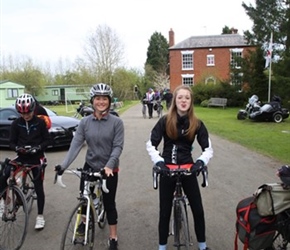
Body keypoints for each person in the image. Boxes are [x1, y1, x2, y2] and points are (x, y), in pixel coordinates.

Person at [55, 83, 124, 250]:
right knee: (84, 198)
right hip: (90, 165)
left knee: (109, 204)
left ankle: (113, 237)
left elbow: (117, 147)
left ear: (109, 101)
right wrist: (63, 166)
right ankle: (84, 223)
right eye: (98, 99)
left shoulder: (116, 122)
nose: (101, 102)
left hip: (109, 168)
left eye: (104, 99)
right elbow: (76, 144)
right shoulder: (85, 122)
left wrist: (109, 166)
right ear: (92, 101)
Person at [146, 85, 214, 250]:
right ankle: (162, 247)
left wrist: (200, 162)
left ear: (191, 102)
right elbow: (150, 144)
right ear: (174, 100)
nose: (183, 101)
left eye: (187, 98)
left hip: (188, 169)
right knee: (164, 212)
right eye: (180, 97)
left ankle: (202, 246)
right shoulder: (164, 120)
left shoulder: (196, 123)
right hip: (167, 170)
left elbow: (208, 149)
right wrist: (159, 162)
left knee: (198, 210)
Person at [0, 93, 51, 230]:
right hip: (22, 156)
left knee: (38, 185)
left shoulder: (40, 123)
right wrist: (17, 148)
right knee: (4, 173)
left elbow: (47, 140)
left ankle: (40, 216)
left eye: (28, 112)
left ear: (33, 109)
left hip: (36, 157)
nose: (25, 115)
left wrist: (38, 147)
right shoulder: (16, 124)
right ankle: (6, 200)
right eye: (22, 113)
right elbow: (11, 142)